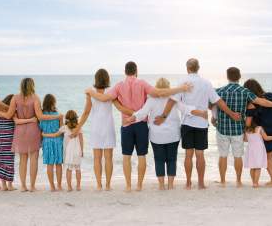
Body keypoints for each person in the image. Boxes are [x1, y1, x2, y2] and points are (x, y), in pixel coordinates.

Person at [86, 61, 192, 192]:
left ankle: (128, 186)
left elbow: (103, 98)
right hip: (141, 125)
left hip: (126, 125)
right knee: (141, 156)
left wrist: (90, 92)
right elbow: (159, 93)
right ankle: (139, 186)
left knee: (126, 157)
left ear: (125, 72)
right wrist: (180, 89)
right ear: (136, 71)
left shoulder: (119, 86)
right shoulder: (142, 83)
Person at [154, 58, 241, 190]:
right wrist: (232, 114)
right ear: (198, 68)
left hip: (187, 123)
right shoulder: (206, 83)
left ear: (187, 68)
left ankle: (188, 183)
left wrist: (163, 117)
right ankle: (200, 183)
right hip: (201, 124)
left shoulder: (182, 82)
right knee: (200, 154)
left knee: (189, 154)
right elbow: (218, 101)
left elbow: (172, 101)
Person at [126, 78, 208, 190]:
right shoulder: (173, 99)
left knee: (159, 159)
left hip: (157, 135)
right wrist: (200, 113)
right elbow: (185, 109)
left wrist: (132, 118)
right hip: (173, 134)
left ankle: (161, 185)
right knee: (172, 159)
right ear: (169, 87)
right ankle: (170, 184)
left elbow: (142, 113)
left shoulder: (151, 100)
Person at [213, 67, 272, 188]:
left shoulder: (219, 91)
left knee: (223, 155)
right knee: (238, 156)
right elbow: (261, 101)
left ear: (227, 76)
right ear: (239, 77)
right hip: (238, 130)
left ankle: (223, 181)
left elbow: (211, 104)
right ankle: (238, 181)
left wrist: (214, 118)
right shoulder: (245, 92)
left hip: (222, 129)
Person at [0, 78, 61, 192]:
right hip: (33, 130)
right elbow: (40, 117)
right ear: (32, 85)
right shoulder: (35, 98)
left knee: (22, 160)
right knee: (34, 159)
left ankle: (23, 186)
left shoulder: (15, 98)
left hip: (20, 131)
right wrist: (57, 116)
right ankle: (32, 186)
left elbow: (8, 115)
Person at [72, 69, 132, 191]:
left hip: (96, 127)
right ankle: (108, 185)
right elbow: (120, 107)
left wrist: (78, 127)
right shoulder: (111, 92)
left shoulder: (91, 92)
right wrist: (134, 113)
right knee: (108, 158)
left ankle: (99, 185)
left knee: (97, 158)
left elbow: (86, 112)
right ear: (107, 79)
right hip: (108, 126)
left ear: (96, 79)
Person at [43, 110, 84, 192]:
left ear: (66, 119)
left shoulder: (64, 128)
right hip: (77, 150)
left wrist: (45, 134)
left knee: (69, 169)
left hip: (68, 151)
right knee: (78, 168)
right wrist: (82, 150)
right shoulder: (79, 127)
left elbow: (55, 134)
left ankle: (69, 187)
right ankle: (78, 186)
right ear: (76, 118)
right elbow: (81, 140)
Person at [244, 119, 272, 188]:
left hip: (250, 150)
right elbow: (266, 138)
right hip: (259, 149)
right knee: (258, 167)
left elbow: (245, 140)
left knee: (252, 166)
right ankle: (256, 183)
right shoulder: (259, 128)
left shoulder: (246, 130)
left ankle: (254, 182)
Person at [40, 94, 64, 192]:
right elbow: (62, 129)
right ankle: (59, 185)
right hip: (57, 141)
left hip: (47, 141)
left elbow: (41, 128)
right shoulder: (58, 115)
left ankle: (52, 186)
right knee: (58, 164)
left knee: (49, 164)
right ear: (53, 103)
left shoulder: (42, 116)